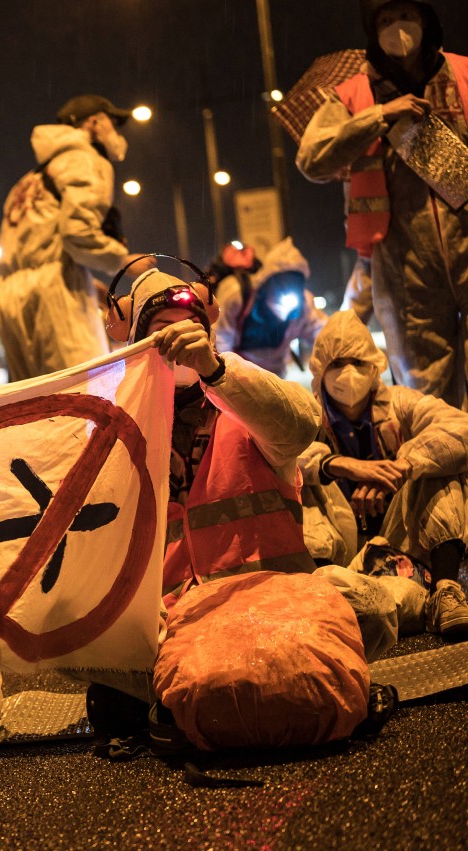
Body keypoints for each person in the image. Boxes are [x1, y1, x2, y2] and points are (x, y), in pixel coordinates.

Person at [109, 267, 322, 605]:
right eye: (163, 332)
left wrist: (217, 371)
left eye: (192, 329)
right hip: (168, 623)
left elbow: (302, 426)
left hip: (275, 607)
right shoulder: (116, 435)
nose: (180, 341)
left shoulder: (246, 412)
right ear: (137, 347)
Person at [297, 0, 468, 407]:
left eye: (406, 15)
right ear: (373, 33)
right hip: (403, 261)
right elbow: (311, 160)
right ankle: (440, 470)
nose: (398, 27)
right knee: (425, 394)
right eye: (386, 20)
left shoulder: (463, 72)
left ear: (426, 20)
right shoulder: (356, 93)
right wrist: (378, 115)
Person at [297, 310, 468, 639]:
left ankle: (446, 590)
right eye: (337, 363)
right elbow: (279, 451)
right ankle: (320, 598)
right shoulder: (308, 413)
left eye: (358, 362)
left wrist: (405, 465)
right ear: (319, 370)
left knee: (435, 460)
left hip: (402, 541)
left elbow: (460, 429)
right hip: (341, 553)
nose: (348, 373)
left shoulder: (400, 403)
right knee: (300, 481)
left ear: (375, 366)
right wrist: (339, 464)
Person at [0, 94, 154, 381]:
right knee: (83, 390)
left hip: (7, 295)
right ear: (93, 123)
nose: (115, 132)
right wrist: (122, 260)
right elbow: (77, 232)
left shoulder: (31, 177)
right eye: (112, 122)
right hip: (53, 294)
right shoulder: (85, 160)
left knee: (30, 401)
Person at [211, 237, 327, 378]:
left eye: (294, 284)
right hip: (238, 376)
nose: (288, 289)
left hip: (277, 377)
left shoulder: (303, 305)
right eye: (281, 283)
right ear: (266, 283)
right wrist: (228, 379)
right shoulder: (237, 294)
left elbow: (324, 334)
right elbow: (221, 339)